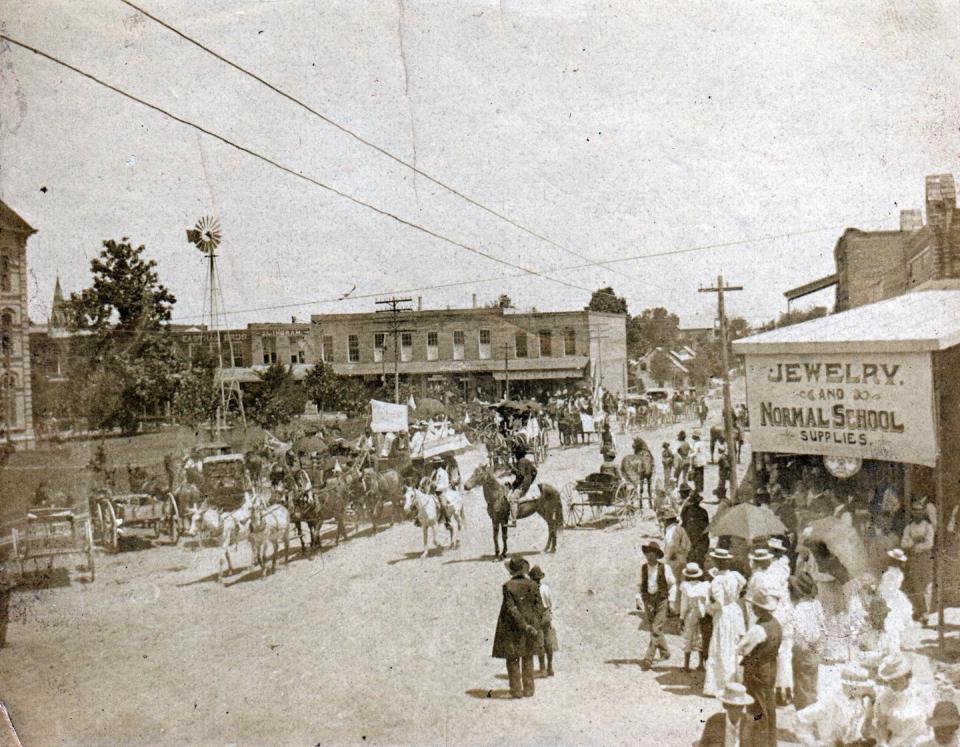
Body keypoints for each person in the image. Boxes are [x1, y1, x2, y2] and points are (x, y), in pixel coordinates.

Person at [492, 556, 545, 698]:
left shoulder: (508, 586)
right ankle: (529, 690)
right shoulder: (533, 585)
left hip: (513, 628)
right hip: (531, 628)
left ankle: (516, 690)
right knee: (528, 657)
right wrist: (533, 625)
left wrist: (523, 625)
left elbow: (511, 609)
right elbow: (539, 607)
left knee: (513, 658)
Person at [737, 587, 781, 747]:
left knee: (756, 708)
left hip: (756, 670)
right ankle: (770, 741)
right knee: (768, 705)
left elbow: (742, 648)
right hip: (770, 667)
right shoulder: (775, 624)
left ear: (757, 608)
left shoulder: (758, 628)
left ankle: (758, 742)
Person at [703, 548, 747, 698]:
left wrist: (708, 606)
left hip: (724, 614)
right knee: (733, 644)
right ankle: (734, 681)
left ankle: (720, 684)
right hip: (735, 611)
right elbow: (742, 585)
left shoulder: (716, 581)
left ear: (716, 562)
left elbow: (719, 603)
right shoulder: (735, 576)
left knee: (722, 646)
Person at [788, 572, 825, 711]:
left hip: (803, 649)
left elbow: (797, 633)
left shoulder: (797, 609)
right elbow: (822, 627)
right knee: (811, 681)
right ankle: (811, 707)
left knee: (802, 683)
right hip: (815, 647)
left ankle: (804, 709)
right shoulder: (816, 604)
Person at [874, 652, 928, 746]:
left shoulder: (922, 693)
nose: (892, 683)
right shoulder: (885, 698)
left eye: (896, 679)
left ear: (906, 676)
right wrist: (883, 743)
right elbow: (881, 725)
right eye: (889, 680)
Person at [638, 541, 675, 668]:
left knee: (656, 628)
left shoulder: (665, 568)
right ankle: (665, 652)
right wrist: (641, 598)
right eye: (647, 554)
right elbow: (641, 584)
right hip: (648, 600)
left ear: (656, 555)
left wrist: (670, 599)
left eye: (651, 554)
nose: (649, 557)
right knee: (655, 627)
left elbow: (672, 583)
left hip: (661, 600)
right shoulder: (643, 568)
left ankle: (648, 658)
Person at [901, 497, 935, 621]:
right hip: (913, 560)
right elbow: (904, 543)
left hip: (925, 559)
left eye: (920, 511)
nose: (918, 513)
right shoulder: (908, 528)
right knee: (916, 585)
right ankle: (921, 610)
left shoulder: (928, 526)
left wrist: (917, 545)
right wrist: (914, 542)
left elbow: (929, 543)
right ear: (912, 512)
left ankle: (926, 611)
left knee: (927, 584)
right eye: (915, 511)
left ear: (923, 512)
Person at [697, 682, 753, 747]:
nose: (737, 710)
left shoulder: (750, 723)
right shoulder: (714, 721)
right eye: (733, 706)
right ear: (725, 705)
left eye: (740, 706)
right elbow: (703, 744)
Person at [680, 562, 710, 672]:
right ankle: (701, 664)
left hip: (691, 613)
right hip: (702, 613)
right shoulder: (704, 585)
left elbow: (684, 604)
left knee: (688, 636)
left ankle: (686, 665)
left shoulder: (686, 586)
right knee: (700, 636)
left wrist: (681, 618)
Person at [529, 565, 558, 677]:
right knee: (548, 642)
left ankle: (542, 668)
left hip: (536, 616)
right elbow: (550, 603)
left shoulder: (530, 589)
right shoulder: (546, 588)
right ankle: (550, 667)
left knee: (540, 643)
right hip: (546, 614)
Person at [507, 447, 538, 527]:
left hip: (523, 485)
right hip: (526, 484)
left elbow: (521, 475)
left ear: (517, 455)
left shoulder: (520, 462)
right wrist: (530, 481)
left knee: (513, 499)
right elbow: (535, 471)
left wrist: (512, 469)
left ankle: (513, 521)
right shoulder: (528, 461)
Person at [681, 489, 710, 568]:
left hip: (690, 540)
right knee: (699, 563)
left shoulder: (686, 510)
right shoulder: (704, 512)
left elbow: (683, 524)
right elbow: (707, 528)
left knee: (689, 564)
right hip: (700, 542)